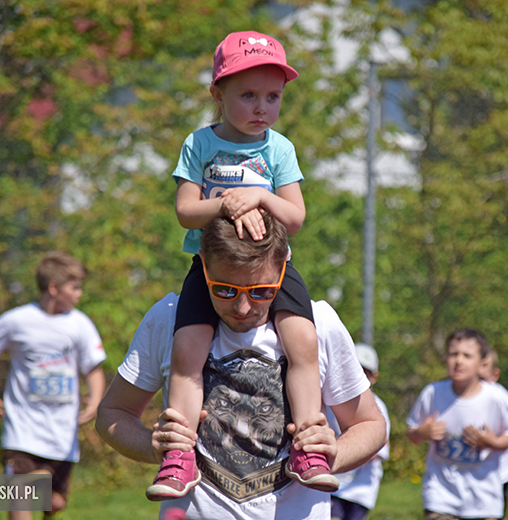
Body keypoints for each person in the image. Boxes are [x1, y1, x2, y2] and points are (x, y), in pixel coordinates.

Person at [95, 214, 387, 520]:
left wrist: (333, 452)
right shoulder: (169, 318)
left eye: (261, 291)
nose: (243, 307)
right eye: (224, 290)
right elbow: (112, 414)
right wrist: (152, 445)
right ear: (204, 267)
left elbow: (370, 425)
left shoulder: (318, 324)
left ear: (282, 269)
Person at [158, 29, 332, 500]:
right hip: (212, 267)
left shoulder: (278, 149)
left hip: (272, 269)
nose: (262, 108)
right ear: (218, 94)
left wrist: (259, 195)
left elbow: (294, 217)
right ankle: (180, 453)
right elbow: (184, 212)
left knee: (302, 341)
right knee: (189, 348)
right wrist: (226, 205)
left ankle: (306, 446)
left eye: (272, 97)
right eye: (248, 95)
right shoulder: (199, 144)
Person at [0, 251, 106, 520]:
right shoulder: (17, 320)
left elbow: (92, 368)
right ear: (54, 288)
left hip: (61, 430)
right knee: (20, 493)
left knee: (55, 502)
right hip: (22, 426)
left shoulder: (79, 324)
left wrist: (94, 401)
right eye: (75, 287)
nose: (79, 293)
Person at [405, 329, 508, 520]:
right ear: (445, 359)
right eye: (453, 354)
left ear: (483, 364)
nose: (459, 361)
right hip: (441, 495)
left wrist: (493, 442)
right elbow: (411, 434)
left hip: (484, 498)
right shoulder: (432, 393)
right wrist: (421, 432)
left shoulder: (498, 398)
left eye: (467, 356)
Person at [328, 343, 390, 520]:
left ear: (375, 377)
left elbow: (380, 449)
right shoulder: (331, 403)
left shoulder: (377, 409)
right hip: (334, 482)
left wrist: (354, 447)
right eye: (355, 369)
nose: (360, 376)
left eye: (366, 372)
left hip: (362, 489)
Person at [478, 347, 508, 518]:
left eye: (483, 370)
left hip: (499, 472)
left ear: (494, 375)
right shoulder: (457, 397)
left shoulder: (502, 398)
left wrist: (493, 442)